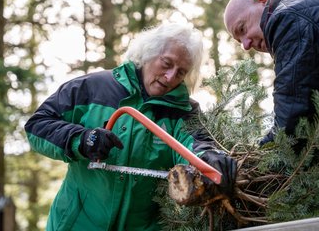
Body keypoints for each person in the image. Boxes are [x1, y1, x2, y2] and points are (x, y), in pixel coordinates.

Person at [24, 22, 237, 231]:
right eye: (166, 63)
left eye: (181, 72)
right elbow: (38, 126)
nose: (170, 76)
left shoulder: (184, 111)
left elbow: (195, 145)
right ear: (148, 54)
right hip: (76, 222)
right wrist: (82, 140)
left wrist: (207, 158)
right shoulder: (92, 87)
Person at [223, 0, 319, 146]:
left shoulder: (287, 17)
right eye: (239, 41)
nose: (245, 45)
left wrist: (263, 153)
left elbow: (294, 107)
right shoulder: (305, 4)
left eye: (242, 29)